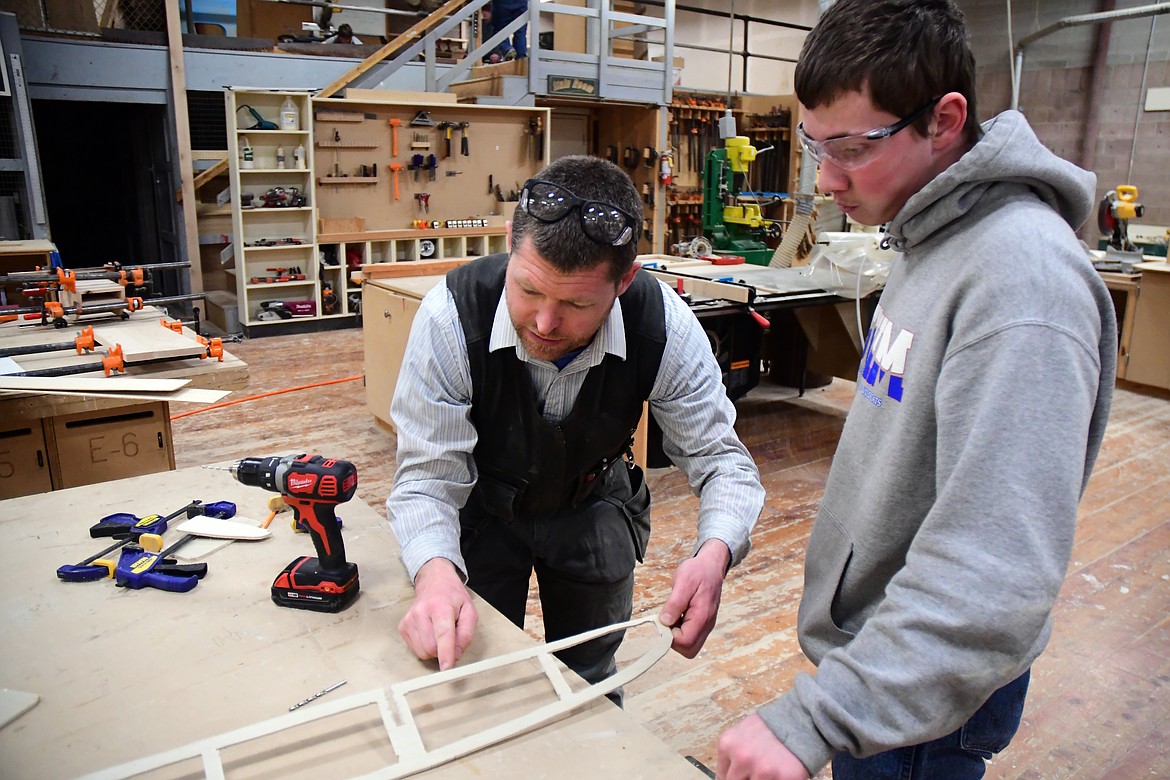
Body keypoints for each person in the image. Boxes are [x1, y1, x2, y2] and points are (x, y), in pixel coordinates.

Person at [716, 1, 1116, 778]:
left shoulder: (1021, 286)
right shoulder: (927, 232)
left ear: (944, 119)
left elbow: (993, 572)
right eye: (813, 146)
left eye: (852, 149)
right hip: (877, 666)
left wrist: (821, 716)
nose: (827, 179)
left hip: (920, 698)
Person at [387, 155, 764, 702]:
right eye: (529, 290)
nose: (543, 322)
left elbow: (723, 462)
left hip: (593, 501)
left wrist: (715, 555)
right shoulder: (451, 317)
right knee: (471, 678)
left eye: (577, 303)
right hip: (483, 504)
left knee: (589, 678)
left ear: (624, 281)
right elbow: (426, 478)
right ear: (511, 245)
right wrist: (434, 573)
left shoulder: (662, 326)